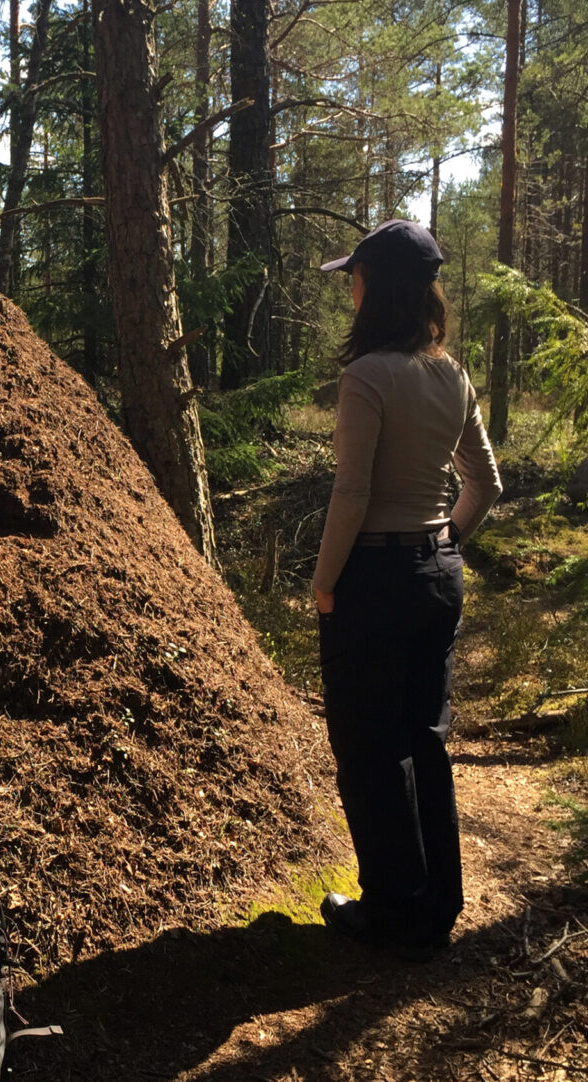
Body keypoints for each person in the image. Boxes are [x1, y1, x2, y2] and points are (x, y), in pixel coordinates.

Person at [313, 219, 502, 961]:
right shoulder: (450, 375)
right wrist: (446, 540)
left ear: (376, 289)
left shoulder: (366, 378)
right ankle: (435, 904)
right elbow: (485, 484)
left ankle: (389, 910)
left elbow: (352, 492)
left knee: (367, 747)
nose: (348, 290)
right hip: (436, 576)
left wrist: (325, 584)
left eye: (353, 277)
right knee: (424, 739)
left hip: (373, 579)